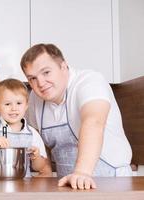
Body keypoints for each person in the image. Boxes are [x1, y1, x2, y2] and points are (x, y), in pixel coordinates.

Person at [20, 43, 132, 189]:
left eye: (46, 72)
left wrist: (82, 172)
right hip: (68, 186)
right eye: (32, 78)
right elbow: (38, 142)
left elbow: (94, 122)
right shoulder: (35, 98)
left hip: (112, 183)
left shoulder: (90, 81)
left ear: (63, 67)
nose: (40, 83)